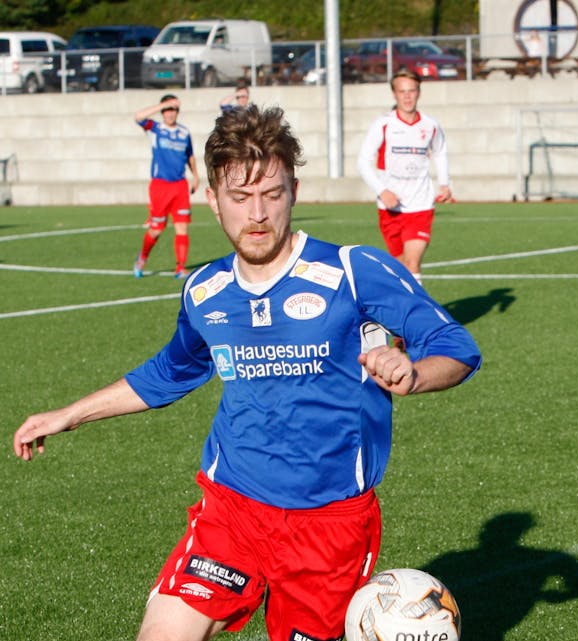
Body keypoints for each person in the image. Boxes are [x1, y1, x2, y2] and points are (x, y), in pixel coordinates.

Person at [12, 104, 482, 641]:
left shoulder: (354, 270)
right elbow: (170, 371)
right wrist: (68, 415)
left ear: (294, 192)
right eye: (239, 197)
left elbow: (456, 347)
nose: (257, 214)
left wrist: (415, 373)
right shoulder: (205, 291)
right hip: (231, 510)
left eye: (271, 194)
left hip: (330, 527)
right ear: (212, 199)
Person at [357, 68, 452, 283]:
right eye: (402, 91)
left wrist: (444, 184)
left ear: (419, 92)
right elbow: (362, 162)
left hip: (420, 204)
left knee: (412, 263)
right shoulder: (383, 125)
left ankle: (417, 316)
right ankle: (404, 312)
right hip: (390, 207)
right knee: (400, 267)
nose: (407, 96)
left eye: (412, 91)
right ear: (394, 94)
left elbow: (440, 152)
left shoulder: (430, 125)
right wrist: (383, 191)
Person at [133, 94, 200, 279]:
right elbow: (138, 116)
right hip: (160, 186)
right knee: (156, 229)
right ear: (163, 111)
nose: (171, 113)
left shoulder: (184, 132)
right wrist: (162, 104)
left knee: (182, 227)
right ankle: (142, 258)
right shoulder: (155, 129)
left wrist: (196, 176)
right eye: (168, 109)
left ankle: (180, 268)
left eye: (174, 109)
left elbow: (190, 156)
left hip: (179, 186)